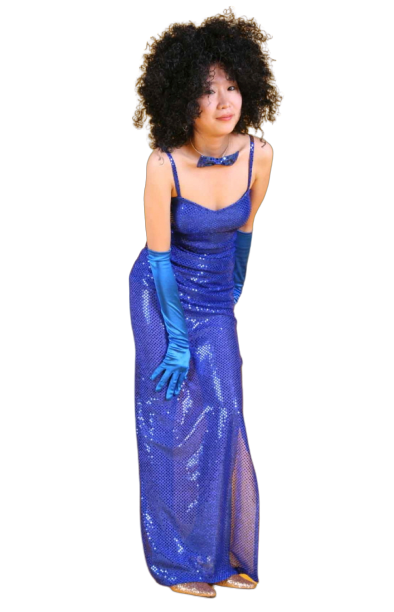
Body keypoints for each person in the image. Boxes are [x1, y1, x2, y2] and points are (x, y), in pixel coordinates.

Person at [129, 9, 281, 598]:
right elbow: (159, 261)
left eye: (232, 86)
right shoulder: (163, 164)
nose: (224, 102)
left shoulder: (260, 156)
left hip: (214, 294)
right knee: (172, 420)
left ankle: (222, 555)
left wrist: (229, 302)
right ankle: (179, 564)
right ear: (181, 100)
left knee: (224, 410)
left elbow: (244, 236)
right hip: (160, 294)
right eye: (206, 90)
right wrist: (176, 340)